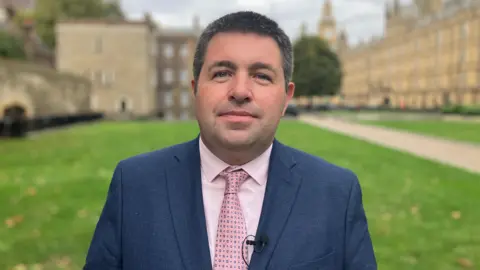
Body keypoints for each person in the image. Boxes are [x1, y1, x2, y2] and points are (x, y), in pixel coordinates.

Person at [83, 11, 377, 270]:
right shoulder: (134, 185)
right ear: (196, 89)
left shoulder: (336, 193)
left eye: (261, 76)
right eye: (222, 73)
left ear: (286, 98)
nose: (240, 91)